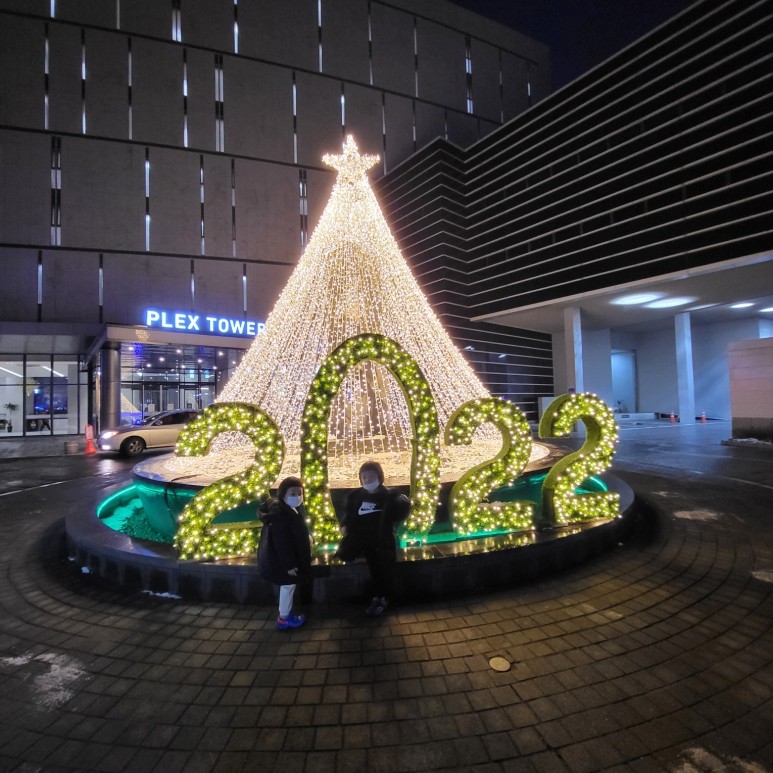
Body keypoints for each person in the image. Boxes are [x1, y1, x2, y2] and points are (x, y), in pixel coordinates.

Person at [337, 461, 410, 616]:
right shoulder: (356, 496)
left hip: (382, 542)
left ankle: (383, 598)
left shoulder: (388, 497)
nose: (368, 480)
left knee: (384, 570)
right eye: (364, 477)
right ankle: (380, 596)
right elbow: (348, 515)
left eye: (371, 476)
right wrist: (345, 526)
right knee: (375, 570)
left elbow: (399, 513)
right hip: (365, 542)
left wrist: (403, 502)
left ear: (379, 477)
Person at [257, 476, 312, 630]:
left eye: (299, 493)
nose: (297, 497)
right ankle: (284, 618)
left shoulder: (289, 509)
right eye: (292, 494)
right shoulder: (281, 514)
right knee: (288, 587)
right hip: (286, 563)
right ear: (283, 495)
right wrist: (290, 564)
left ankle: (286, 615)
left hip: (288, 560)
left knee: (289, 587)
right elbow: (282, 541)